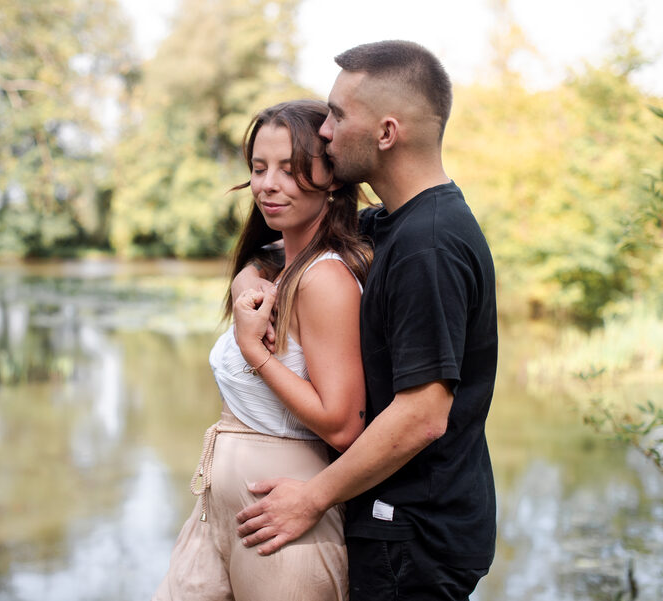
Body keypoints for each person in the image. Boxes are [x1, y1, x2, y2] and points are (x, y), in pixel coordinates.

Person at [233, 40, 498, 601]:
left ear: (386, 132)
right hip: (390, 525)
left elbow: (423, 415)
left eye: (337, 114)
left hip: (416, 537)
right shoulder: (396, 224)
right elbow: (288, 249)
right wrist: (248, 283)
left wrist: (310, 497)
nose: (324, 131)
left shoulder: (430, 245)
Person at [152, 99, 372, 601]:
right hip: (221, 512)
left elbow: (343, 424)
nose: (268, 184)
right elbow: (262, 258)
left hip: (280, 522)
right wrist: (246, 277)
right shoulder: (278, 263)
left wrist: (257, 354)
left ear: (332, 176)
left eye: (290, 170)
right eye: (258, 168)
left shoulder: (326, 281)